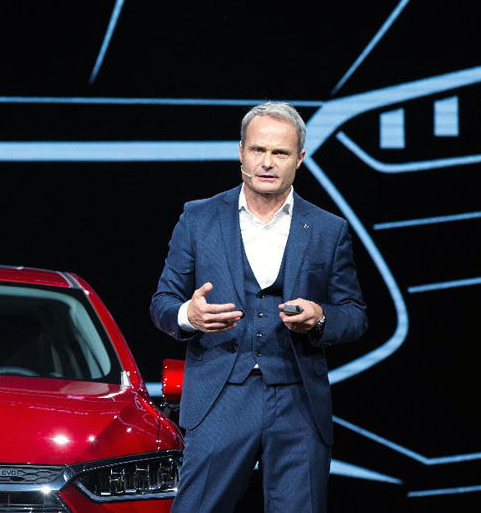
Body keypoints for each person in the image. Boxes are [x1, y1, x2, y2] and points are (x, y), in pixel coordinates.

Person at [150, 101, 367, 512]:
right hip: (220, 395)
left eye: (280, 152)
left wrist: (321, 317)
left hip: (298, 399)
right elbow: (162, 303)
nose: (267, 162)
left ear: (299, 159)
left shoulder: (328, 229)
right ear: (241, 152)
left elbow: (354, 314)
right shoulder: (199, 218)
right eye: (258, 150)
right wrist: (188, 316)